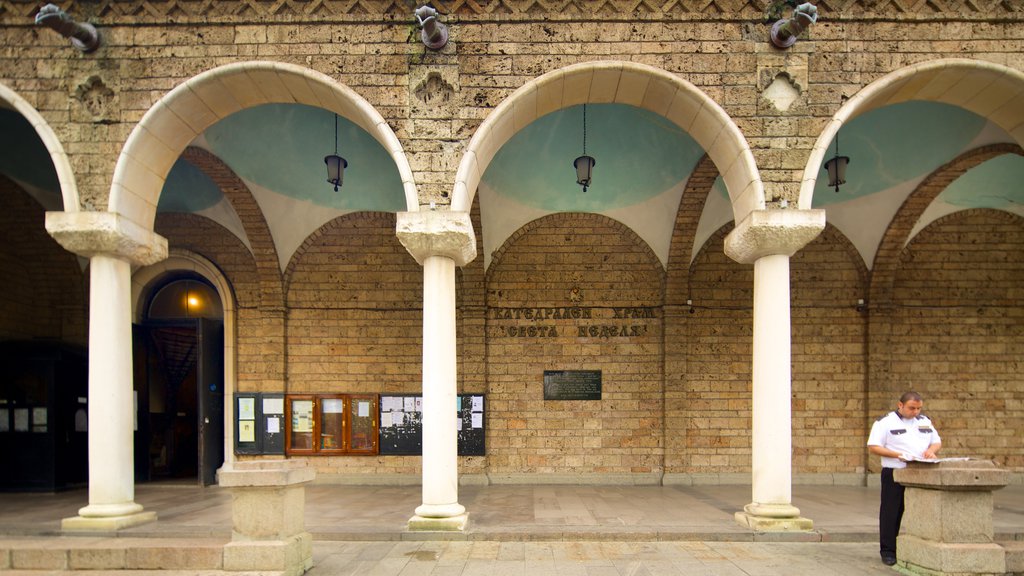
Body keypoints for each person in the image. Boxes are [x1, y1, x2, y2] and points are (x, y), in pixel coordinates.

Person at [867, 391, 941, 566]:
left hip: (920, 471)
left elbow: (936, 441)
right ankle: (888, 551)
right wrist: (897, 454)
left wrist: (932, 450)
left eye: (918, 408)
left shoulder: (924, 421)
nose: (915, 411)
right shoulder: (885, 422)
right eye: (911, 408)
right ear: (900, 405)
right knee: (891, 512)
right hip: (895, 470)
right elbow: (873, 446)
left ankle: (918, 549)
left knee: (921, 511)